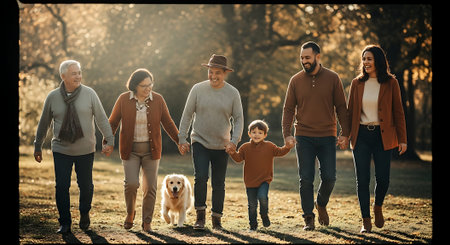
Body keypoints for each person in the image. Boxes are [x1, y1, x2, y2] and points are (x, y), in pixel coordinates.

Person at [33, 60, 114, 234]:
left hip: (86, 150)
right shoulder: (53, 97)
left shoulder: (90, 93)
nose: (78, 76)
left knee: (86, 186)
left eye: (79, 72)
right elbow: (44, 123)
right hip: (61, 149)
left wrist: (110, 139)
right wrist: (37, 145)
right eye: (74, 73)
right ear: (63, 76)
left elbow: (101, 118)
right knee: (61, 186)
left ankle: (84, 212)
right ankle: (65, 222)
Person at [282, 41, 351, 231]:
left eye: (307, 57)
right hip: (303, 135)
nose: (304, 61)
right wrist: (287, 134)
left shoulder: (333, 78)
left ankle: (320, 203)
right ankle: (308, 218)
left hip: (327, 136)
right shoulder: (295, 80)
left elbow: (341, 108)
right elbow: (288, 109)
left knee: (330, 177)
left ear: (317, 57)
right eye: (302, 58)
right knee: (306, 178)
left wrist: (345, 134)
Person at [108, 68, 181, 232]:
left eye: (150, 84)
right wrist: (107, 142)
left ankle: (147, 221)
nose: (148, 88)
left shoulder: (158, 100)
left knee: (150, 187)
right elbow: (112, 123)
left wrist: (179, 141)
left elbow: (168, 123)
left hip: (151, 151)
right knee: (131, 184)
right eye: (144, 86)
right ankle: (130, 213)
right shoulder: (123, 99)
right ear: (134, 86)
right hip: (130, 150)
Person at [178, 54, 244, 230]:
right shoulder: (198, 89)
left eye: (217, 73)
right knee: (201, 177)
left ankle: (217, 219)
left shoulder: (232, 93)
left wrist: (234, 141)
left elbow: (238, 119)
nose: (213, 76)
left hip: (223, 144)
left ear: (225, 73)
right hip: (199, 140)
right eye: (211, 72)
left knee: (218, 182)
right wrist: (182, 138)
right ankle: (200, 217)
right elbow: (187, 115)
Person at [347, 45, 407, 233]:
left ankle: (378, 206)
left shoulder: (391, 83)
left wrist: (403, 139)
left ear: (378, 61)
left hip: (383, 136)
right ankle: (365, 220)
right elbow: (349, 113)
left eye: (369, 59)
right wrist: (344, 135)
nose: (365, 62)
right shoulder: (356, 83)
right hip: (362, 136)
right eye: (364, 59)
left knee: (383, 179)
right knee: (362, 180)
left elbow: (398, 112)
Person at [227, 120, 293, 231]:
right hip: (250, 181)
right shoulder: (245, 147)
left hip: (264, 180)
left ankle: (264, 215)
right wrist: (232, 153)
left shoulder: (270, 146)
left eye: (260, 132)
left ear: (265, 135)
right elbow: (238, 159)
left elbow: (280, 152)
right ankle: (253, 226)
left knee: (262, 197)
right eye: (254, 132)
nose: (256, 135)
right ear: (249, 134)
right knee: (252, 205)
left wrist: (287, 147)